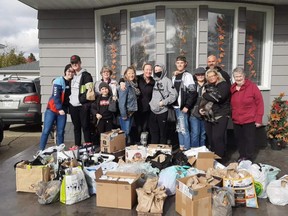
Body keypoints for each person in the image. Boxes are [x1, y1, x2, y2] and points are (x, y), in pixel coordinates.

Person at [230, 67, 264, 162]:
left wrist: (259, 119)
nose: (238, 78)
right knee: (239, 139)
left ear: (244, 76)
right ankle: (242, 156)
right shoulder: (233, 88)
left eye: (240, 76)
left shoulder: (252, 87)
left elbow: (260, 103)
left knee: (249, 140)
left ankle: (249, 158)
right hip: (236, 119)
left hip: (249, 119)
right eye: (236, 77)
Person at [39, 64, 74, 150]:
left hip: (62, 111)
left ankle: (60, 151)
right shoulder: (58, 81)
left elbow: (69, 99)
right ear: (65, 71)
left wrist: (69, 109)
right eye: (69, 71)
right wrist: (59, 108)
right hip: (52, 109)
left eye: (72, 72)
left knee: (61, 131)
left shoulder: (72, 83)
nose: (71, 73)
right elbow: (56, 96)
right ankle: (41, 150)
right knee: (46, 130)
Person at [200, 68, 231, 159]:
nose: (211, 78)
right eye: (209, 77)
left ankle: (220, 158)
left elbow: (218, 98)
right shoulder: (207, 86)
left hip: (221, 114)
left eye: (213, 75)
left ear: (217, 76)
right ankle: (213, 158)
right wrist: (201, 109)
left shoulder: (223, 85)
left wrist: (205, 94)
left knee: (218, 138)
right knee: (211, 139)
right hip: (209, 115)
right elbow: (203, 100)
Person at [172, 56, 197, 150]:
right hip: (175, 107)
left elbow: (193, 92)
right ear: (175, 64)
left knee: (184, 129)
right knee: (179, 129)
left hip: (182, 107)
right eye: (178, 63)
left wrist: (187, 105)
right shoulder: (174, 76)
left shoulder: (188, 76)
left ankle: (187, 150)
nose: (179, 64)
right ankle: (181, 148)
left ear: (185, 64)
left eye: (181, 63)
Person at [149, 63, 177, 144]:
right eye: (156, 70)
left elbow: (174, 95)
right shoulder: (153, 80)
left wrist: (163, 102)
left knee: (163, 134)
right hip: (153, 110)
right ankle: (153, 150)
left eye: (159, 70)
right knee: (154, 133)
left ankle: (162, 152)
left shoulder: (167, 81)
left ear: (163, 70)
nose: (157, 72)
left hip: (162, 111)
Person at [69, 55, 94, 146]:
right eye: (73, 63)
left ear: (80, 62)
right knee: (76, 127)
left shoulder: (86, 75)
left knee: (86, 126)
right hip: (72, 106)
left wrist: (82, 101)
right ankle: (77, 146)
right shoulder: (71, 75)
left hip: (82, 106)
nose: (75, 64)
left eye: (76, 62)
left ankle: (88, 146)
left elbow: (90, 91)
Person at [118, 66, 139, 145]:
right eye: (129, 73)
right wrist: (124, 115)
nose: (131, 75)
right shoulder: (125, 86)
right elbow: (121, 102)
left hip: (131, 113)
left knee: (128, 132)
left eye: (133, 73)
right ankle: (122, 152)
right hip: (126, 114)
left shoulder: (134, 85)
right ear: (125, 75)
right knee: (125, 133)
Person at [190, 67, 207, 147]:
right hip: (194, 113)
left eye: (202, 74)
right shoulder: (192, 85)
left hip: (205, 113)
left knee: (203, 134)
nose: (200, 76)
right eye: (198, 74)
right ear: (195, 76)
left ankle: (202, 153)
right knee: (195, 134)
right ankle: (194, 152)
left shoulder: (208, 85)